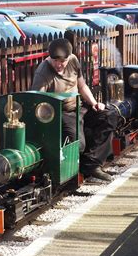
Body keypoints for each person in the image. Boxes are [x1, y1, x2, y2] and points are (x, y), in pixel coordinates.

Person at [31, 38, 116, 181]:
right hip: (63, 112)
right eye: (55, 61)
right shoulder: (42, 72)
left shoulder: (74, 61)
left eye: (62, 61)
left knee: (109, 116)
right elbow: (38, 102)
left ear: (69, 57)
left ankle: (92, 165)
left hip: (80, 106)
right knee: (79, 145)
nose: (58, 64)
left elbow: (81, 85)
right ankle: (73, 168)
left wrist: (94, 103)